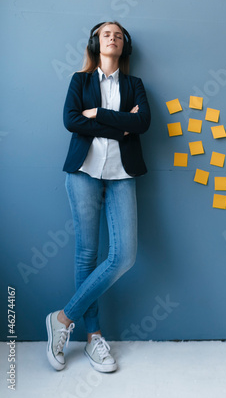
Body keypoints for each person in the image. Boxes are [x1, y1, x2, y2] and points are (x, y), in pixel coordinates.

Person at [46, 21, 151, 373]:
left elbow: (143, 124)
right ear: (95, 42)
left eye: (119, 35)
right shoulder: (81, 81)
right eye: (107, 33)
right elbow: (71, 120)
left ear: (125, 46)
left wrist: (100, 114)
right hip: (83, 172)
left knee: (124, 256)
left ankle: (62, 318)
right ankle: (93, 337)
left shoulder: (135, 85)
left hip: (123, 175)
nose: (113, 38)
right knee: (86, 254)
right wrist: (120, 123)